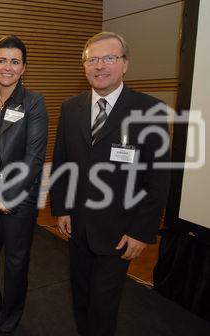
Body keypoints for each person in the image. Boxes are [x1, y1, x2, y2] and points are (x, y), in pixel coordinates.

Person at [50, 31, 170, 336]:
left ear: (125, 64)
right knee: (80, 298)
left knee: (103, 307)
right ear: (85, 66)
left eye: (109, 58)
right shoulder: (70, 107)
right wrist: (62, 209)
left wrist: (142, 231)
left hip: (119, 232)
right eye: (93, 59)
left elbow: (158, 178)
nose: (100, 66)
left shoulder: (149, 110)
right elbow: (62, 163)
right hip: (77, 226)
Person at [0, 35, 48, 333]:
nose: (7, 67)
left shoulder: (34, 102)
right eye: (2, 60)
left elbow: (34, 155)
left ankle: (12, 314)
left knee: (16, 260)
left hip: (21, 194)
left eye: (15, 62)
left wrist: (7, 195)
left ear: (23, 68)